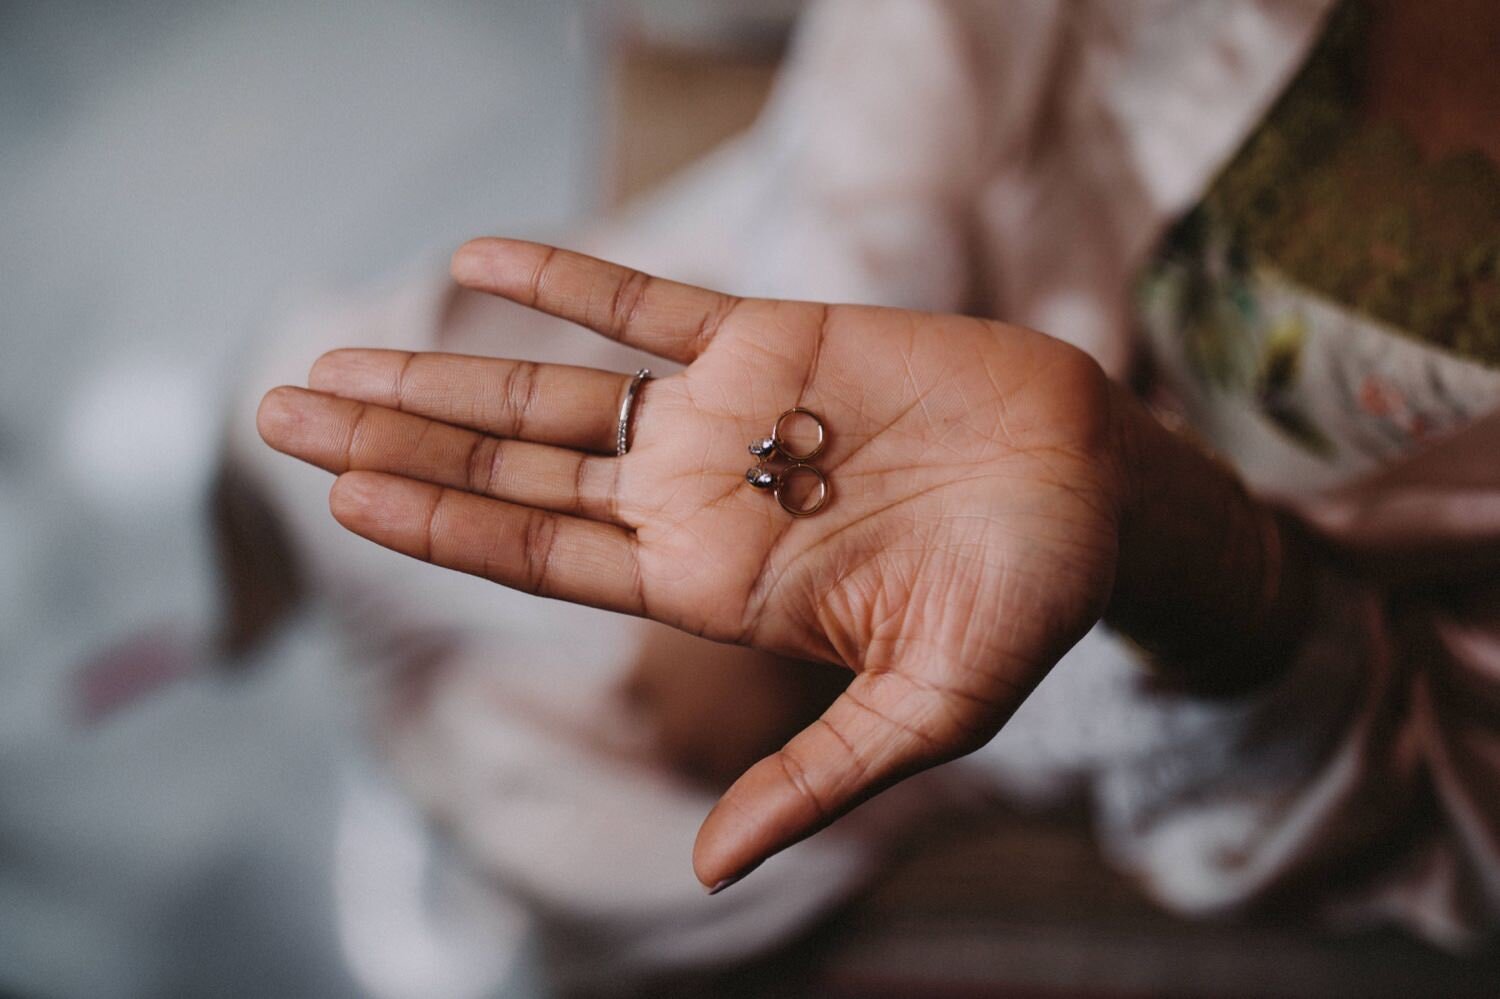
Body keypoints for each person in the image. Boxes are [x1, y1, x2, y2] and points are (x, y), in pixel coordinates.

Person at [246, 0, 1500, 958]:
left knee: (574, 846)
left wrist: (1198, 554)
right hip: (769, 324)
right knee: (318, 417)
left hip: (1003, 635)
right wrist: (859, 293)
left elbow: (1430, 832)